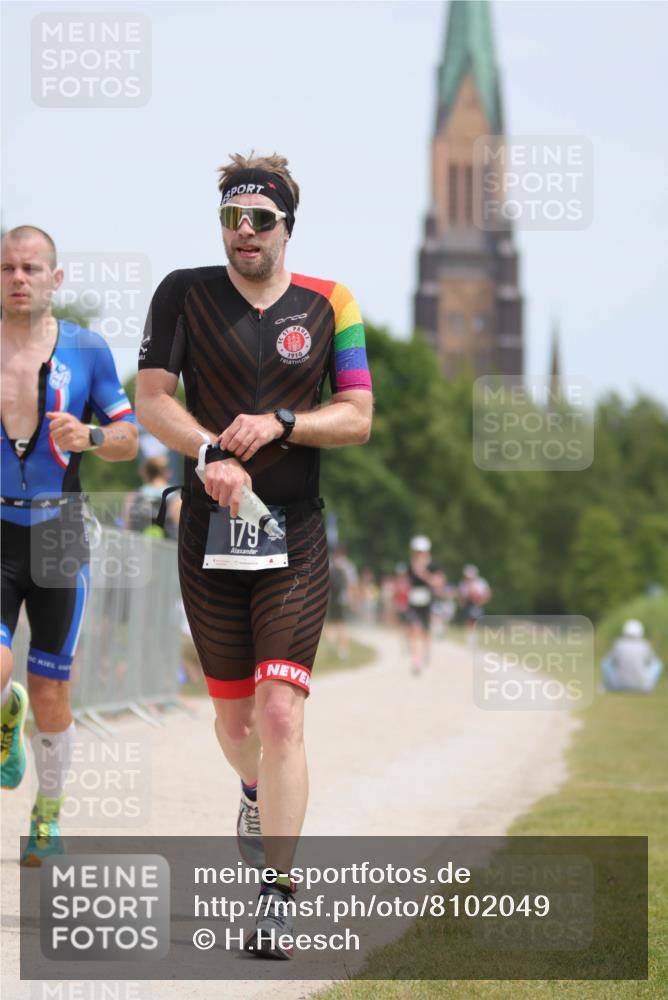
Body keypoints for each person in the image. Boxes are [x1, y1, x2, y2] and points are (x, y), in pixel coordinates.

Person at [135, 152, 372, 958]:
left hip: (294, 532)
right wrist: (209, 456)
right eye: (232, 219)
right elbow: (152, 399)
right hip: (208, 533)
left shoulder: (332, 303)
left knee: (280, 712)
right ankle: (251, 789)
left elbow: (358, 415)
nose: (243, 232)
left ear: (285, 226)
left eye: (259, 219)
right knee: (235, 721)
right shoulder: (183, 292)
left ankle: (278, 895)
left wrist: (281, 423)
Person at [0, 226, 138, 865]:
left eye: (31, 268)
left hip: (59, 531)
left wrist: (88, 435)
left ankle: (48, 817)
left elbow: (130, 438)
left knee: (52, 690)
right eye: (7, 268)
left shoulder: (86, 350)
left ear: (55, 280)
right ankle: (7, 716)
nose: (18, 278)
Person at [406, 536, 443, 675]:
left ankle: (426, 653)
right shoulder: (410, 565)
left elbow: (438, 582)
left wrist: (424, 574)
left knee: (426, 632)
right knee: (415, 629)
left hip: (428, 601)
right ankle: (416, 661)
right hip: (414, 602)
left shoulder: (433, 565)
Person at [124, 454, 181, 539]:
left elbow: (127, 529)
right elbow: (179, 531)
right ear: (166, 473)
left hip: (139, 549)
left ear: (145, 473)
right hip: (167, 550)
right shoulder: (176, 498)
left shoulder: (133, 496)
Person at [601, 619, 663, 693]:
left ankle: (608, 686)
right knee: (657, 663)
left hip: (618, 686)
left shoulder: (618, 644)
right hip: (643, 687)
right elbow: (651, 662)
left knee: (606, 662)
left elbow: (610, 662)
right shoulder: (645, 645)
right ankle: (649, 685)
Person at [458, 563, 492, 631]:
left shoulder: (481, 582)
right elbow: (462, 596)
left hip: (478, 605)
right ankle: (470, 637)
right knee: (469, 622)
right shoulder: (463, 583)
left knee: (475, 622)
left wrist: (480, 600)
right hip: (468, 605)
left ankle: (474, 637)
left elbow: (487, 595)